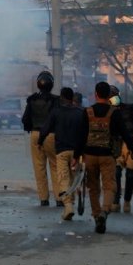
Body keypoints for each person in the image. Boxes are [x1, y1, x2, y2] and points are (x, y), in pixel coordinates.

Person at [77, 82, 133, 234]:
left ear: (96, 94)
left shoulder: (87, 112)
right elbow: (125, 133)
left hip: (89, 155)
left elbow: (81, 136)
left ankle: (97, 216)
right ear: (109, 96)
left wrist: (75, 156)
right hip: (107, 156)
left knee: (93, 187)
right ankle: (105, 211)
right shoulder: (114, 113)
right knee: (110, 186)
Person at [38, 87, 85, 221]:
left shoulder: (56, 112)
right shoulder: (81, 112)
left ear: (62, 98)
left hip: (62, 151)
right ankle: (73, 202)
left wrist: (40, 142)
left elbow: (45, 129)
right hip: (77, 152)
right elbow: (85, 133)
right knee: (75, 179)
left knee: (63, 179)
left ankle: (68, 206)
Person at [22, 70, 60, 206]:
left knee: (39, 167)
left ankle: (44, 198)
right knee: (55, 166)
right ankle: (59, 197)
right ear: (51, 85)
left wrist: (30, 129)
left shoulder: (31, 100)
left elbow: (25, 119)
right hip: (51, 135)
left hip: (35, 134)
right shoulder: (56, 100)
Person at [108, 85, 133, 214]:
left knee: (131, 175)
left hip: (131, 145)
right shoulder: (106, 111)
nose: (113, 97)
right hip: (116, 145)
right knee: (116, 173)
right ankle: (115, 201)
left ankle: (127, 202)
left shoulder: (129, 109)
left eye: (114, 94)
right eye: (111, 95)